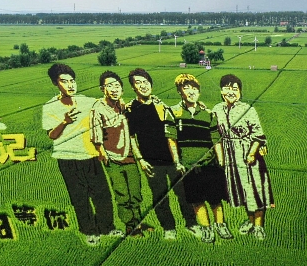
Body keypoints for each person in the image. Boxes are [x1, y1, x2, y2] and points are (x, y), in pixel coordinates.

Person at [42, 64, 119, 246]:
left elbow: (109, 106)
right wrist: (65, 121)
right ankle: (89, 232)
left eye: (72, 81)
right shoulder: (50, 107)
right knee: (79, 198)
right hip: (67, 159)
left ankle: (107, 228)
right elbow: (51, 135)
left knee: (102, 195)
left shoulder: (87, 101)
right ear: (55, 83)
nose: (70, 85)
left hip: (90, 156)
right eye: (64, 81)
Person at [126, 68, 198, 240]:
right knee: (159, 197)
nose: (143, 86)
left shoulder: (162, 106)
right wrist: (141, 159)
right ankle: (169, 228)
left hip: (172, 159)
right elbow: (131, 137)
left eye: (145, 81)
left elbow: (173, 132)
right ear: (133, 87)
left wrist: (178, 159)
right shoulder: (131, 109)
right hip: (151, 161)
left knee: (183, 193)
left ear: (150, 83)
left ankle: (191, 224)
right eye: (138, 83)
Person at [170, 73, 232, 243]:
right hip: (189, 166)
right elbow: (172, 139)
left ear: (199, 91)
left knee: (215, 199)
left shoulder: (209, 114)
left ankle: (221, 225)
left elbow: (216, 140)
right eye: (186, 87)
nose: (191, 91)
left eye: (194, 88)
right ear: (179, 91)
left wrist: (221, 162)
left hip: (210, 164)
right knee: (197, 201)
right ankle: (207, 229)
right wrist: (177, 161)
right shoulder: (174, 113)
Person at [212, 74, 274, 240]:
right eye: (227, 88)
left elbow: (259, 135)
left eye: (235, 89)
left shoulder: (248, 109)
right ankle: (250, 220)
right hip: (230, 157)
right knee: (243, 193)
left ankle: (259, 226)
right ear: (221, 90)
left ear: (240, 92)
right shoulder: (217, 109)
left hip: (248, 155)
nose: (231, 92)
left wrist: (252, 153)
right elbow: (213, 132)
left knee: (256, 191)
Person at [90, 71, 145, 237]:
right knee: (122, 194)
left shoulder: (123, 107)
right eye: (109, 86)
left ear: (122, 89)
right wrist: (103, 154)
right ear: (102, 89)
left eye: (117, 85)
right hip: (112, 158)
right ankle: (131, 226)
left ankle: (137, 222)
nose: (114, 89)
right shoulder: (98, 109)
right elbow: (96, 135)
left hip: (129, 156)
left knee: (135, 193)